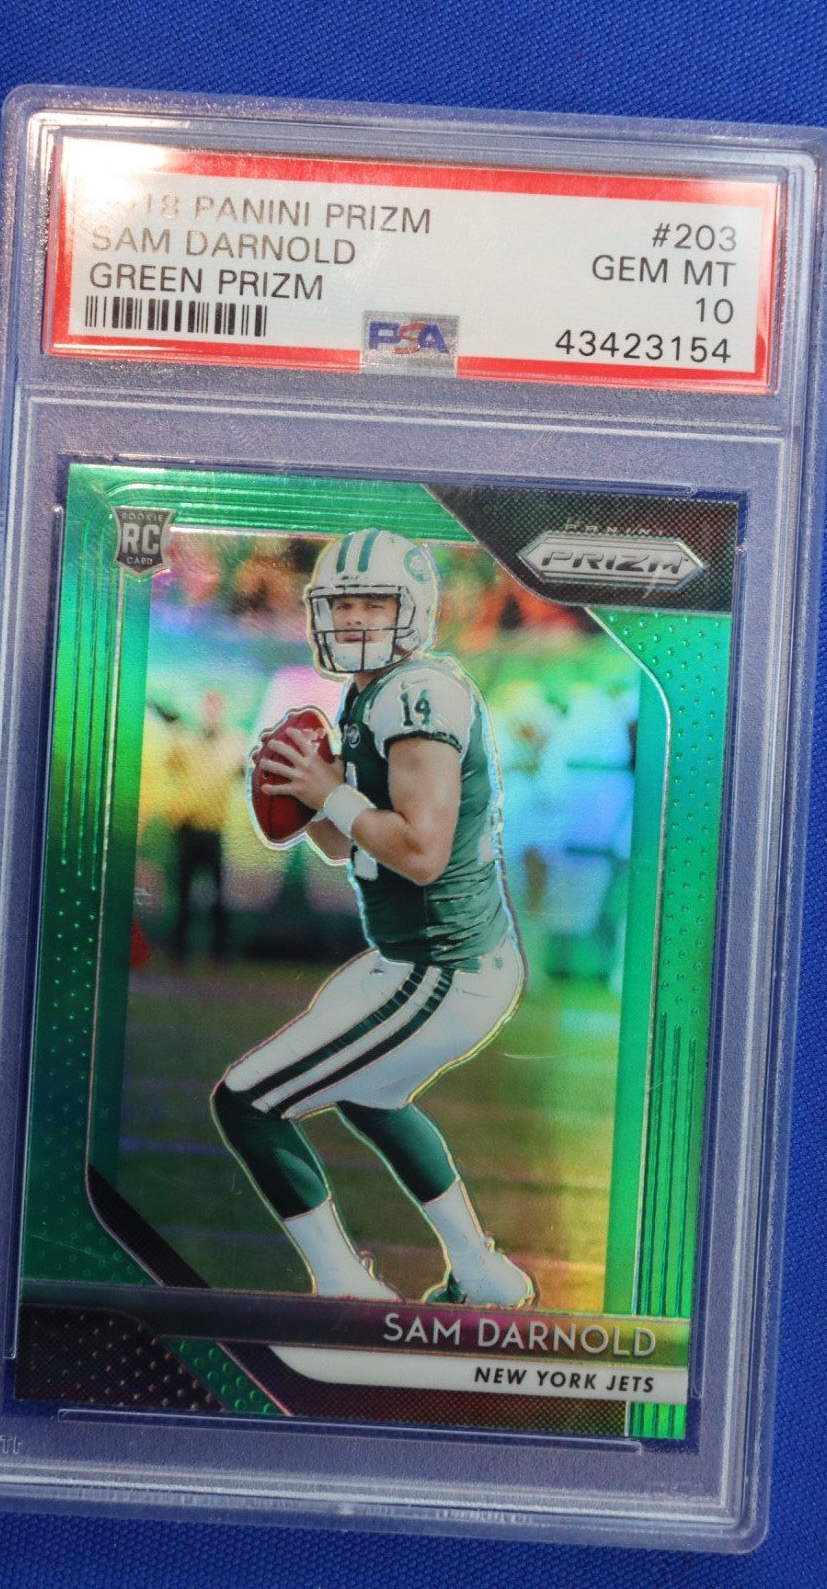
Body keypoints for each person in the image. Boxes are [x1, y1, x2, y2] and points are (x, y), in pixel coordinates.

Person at [211, 529, 536, 1307]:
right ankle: (482, 1272)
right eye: (342, 604)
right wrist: (303, 793)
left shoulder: (421, 694)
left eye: (372, 603)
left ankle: (343, 1286)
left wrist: (329, 793)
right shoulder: (371, 692)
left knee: (248, 1102)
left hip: (445, 966)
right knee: (371, 1093)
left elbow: (419, 853)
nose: (354, 619)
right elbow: (350, 846)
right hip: (423, 958)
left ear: (414, 609)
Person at [165, 689, 242, 962]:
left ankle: (219, 953)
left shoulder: (232, 743)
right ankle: (179, 951)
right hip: (187, 826)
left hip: (213, 828)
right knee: (183, 893)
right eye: (207, 707)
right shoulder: (187, 740)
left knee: (217, 896)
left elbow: (242, 772)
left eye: (215, 707)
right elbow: (172, 765)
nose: (211, 713)